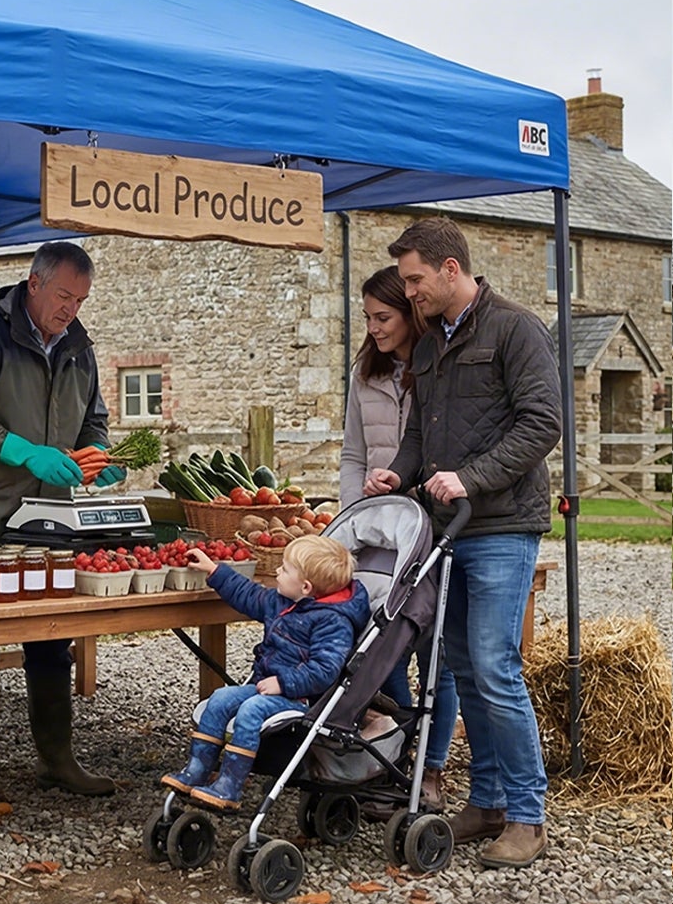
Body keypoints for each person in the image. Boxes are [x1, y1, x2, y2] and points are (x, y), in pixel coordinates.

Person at [364, 215, 561, 869]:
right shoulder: (428, 344)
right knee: (463, 666)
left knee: (495, 664)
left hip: (503, 525)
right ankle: (487, 802)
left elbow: (542, 423)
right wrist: (403, 471)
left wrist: (469, 478)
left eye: (416, 279)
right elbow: (423, 431)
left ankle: (529, 817)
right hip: (444, 531)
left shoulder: (516, 328)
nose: (408, 291)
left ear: (452, 269)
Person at [0, 240, 123, 805]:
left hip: (51, 517)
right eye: (64, 295)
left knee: (53, 636)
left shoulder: (79, 347)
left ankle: (57, 759)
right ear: (34, 283)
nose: (72, 309)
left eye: (81, 299)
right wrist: (22, 450)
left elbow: (94, 418)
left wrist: (97, 456)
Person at [339, 264, 458, 810]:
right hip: (380, 532)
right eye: (367, 318)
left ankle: (430, 769)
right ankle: (391, 756)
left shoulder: (438, 369)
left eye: (382, 316)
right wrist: (348, 527)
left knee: (437, 654)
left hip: (433, 530)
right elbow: (353, 455)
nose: (374, 328)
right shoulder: (365, 375)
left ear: (411, 313)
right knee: (381, 644)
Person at [162, 535, 369, 810]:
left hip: (300, 698)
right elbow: (248, 594)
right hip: (265, 685)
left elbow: (325, 670)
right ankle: (197, 769)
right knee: (221, 698)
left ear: (306, 587)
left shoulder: (333, 622)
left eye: (284, 569)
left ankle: (230, 785)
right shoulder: (283, 601)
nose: (277, 572)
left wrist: (284, 683)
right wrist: (214, 570)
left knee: (251, 710)